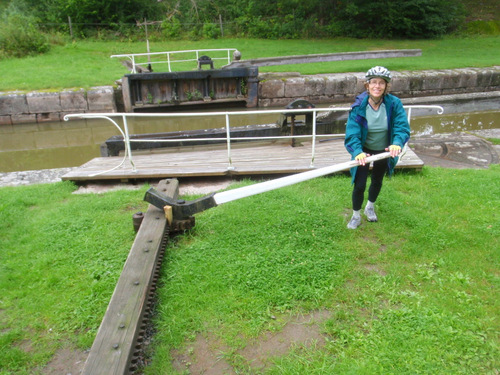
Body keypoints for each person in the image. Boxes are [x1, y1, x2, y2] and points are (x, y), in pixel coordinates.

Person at [344, 66, 410, 229]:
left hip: (384, 150)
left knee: (377, 179)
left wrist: (397, 142)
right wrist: (357, 151)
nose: (377, 86)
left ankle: (370, 206)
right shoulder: (359, 106)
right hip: (363, 151)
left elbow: (402, 126)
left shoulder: (394, 104)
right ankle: (356, 215)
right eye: (374, 82)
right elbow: (352, 132)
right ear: (367, 85)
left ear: (387, 86)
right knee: (359, 184)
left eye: (382, 83)